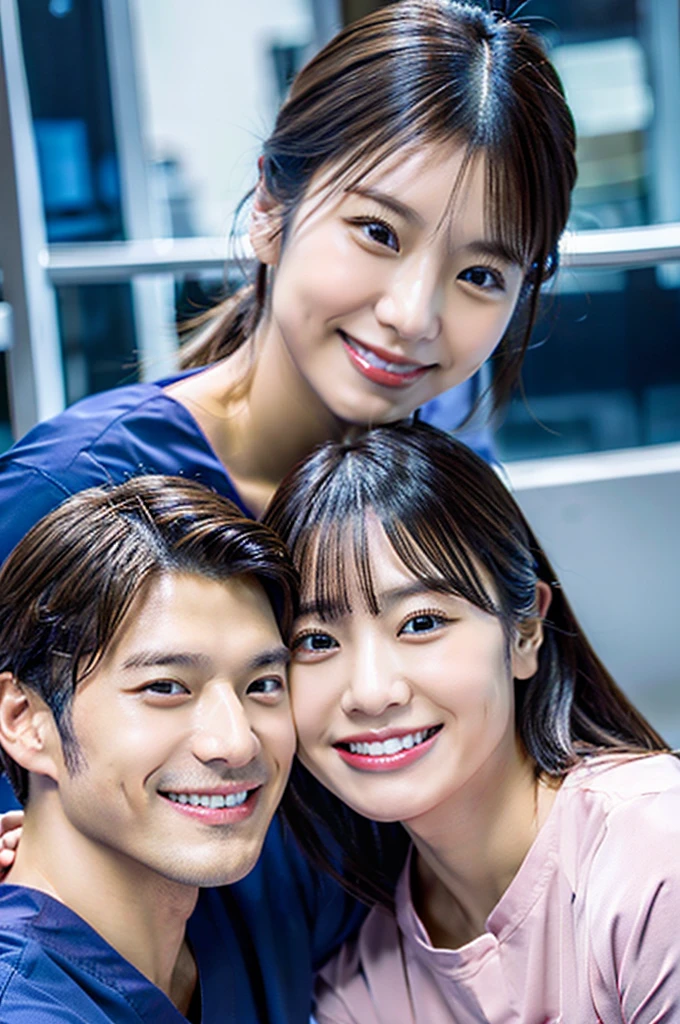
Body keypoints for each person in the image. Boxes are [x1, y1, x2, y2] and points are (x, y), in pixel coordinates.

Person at [0, 0, 578, 1010]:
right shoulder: (81, 487)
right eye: (374, 230)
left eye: (479, 272)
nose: (411, 313)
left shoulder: (427, 493)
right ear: (270, 206)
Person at [263, 422, 680, 1023]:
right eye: (316, 640)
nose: (372, 692)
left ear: (525, 633)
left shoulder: (652, 862)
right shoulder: (359, 980)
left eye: (422, 622)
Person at [0, 475, 305, 1022]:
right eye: (165, 688)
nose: (235, 742)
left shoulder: (253, 899)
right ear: (24, 719)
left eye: (262, 685)